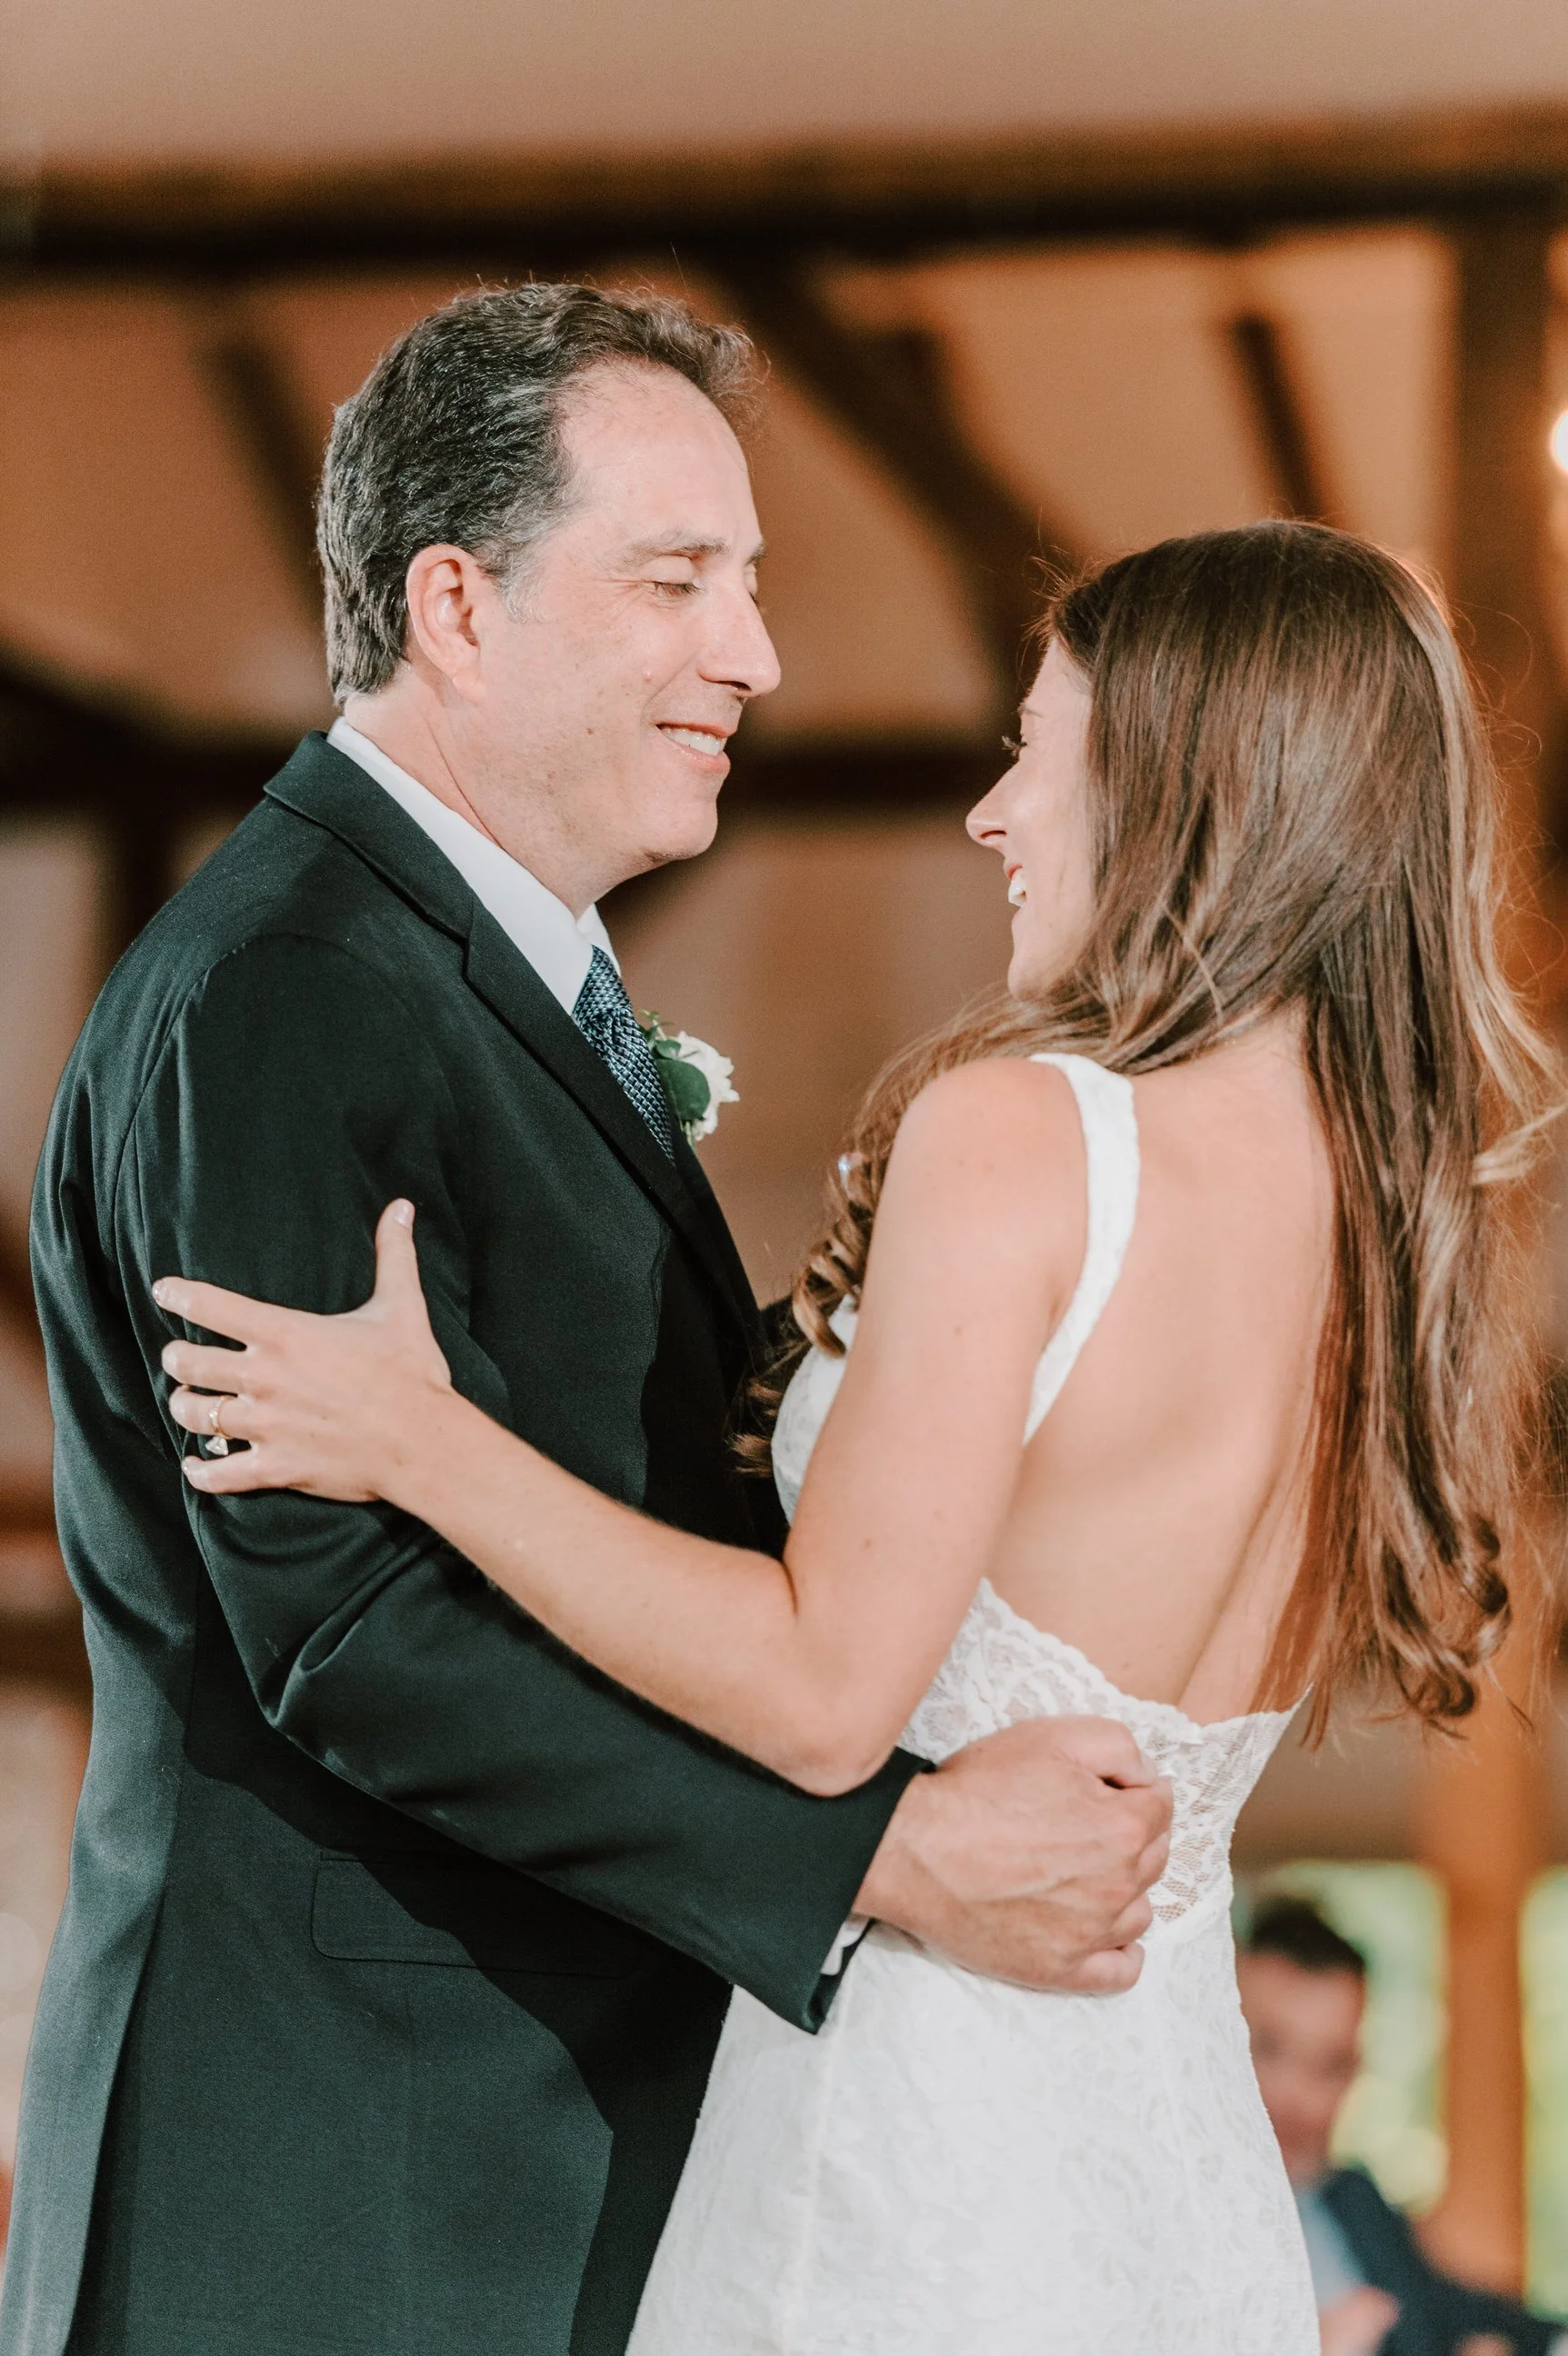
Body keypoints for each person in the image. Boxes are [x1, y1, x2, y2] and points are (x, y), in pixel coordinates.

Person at [156, 517, 1556, 2351]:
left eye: (1032, 752)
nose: (991, 816)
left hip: (921, 2135)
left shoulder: (1032, 1134)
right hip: (1171, 2178)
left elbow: (825, 1689)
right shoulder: (1385, 1234)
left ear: (1173, 787)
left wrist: (420, 1439)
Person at [7, 286, 1174, 2356]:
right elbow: (344, 1632)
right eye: (677, 580)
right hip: (338, 2200)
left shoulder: (473, 973)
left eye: (751, 579)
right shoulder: (290, 992)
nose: (755, 650)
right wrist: (878, 1858)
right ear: (456, 605)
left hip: (513, 2159)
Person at [1240, 1898, 1567, 2356]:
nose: (1298, 2100)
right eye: (1268, 2049)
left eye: (1330, 2066)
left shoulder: (1353, 2200)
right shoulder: (1167, 2213)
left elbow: (1460, 2311)